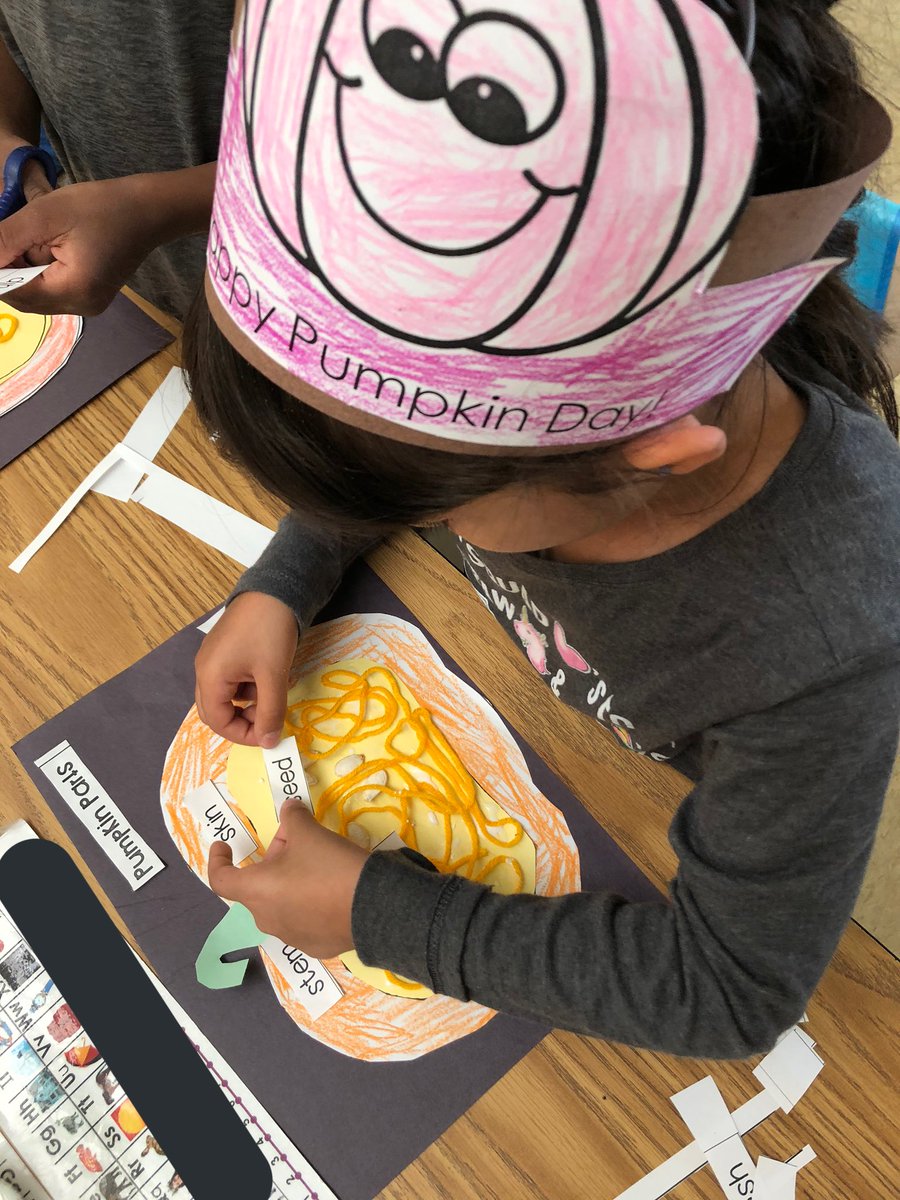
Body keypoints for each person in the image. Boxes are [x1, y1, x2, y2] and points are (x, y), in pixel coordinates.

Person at [186, 0, 900, 1058]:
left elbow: (732, 991)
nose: (429, 514)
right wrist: (285, 577)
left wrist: (378, 916)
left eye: (435, 505)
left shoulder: (824, 647)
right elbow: (397, 442)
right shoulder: (535, 445)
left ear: (647, 449)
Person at [0, 2, 232, 317]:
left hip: (258, 288)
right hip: (121, 279)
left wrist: (150, 209)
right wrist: (5, 132)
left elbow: (304, 167)